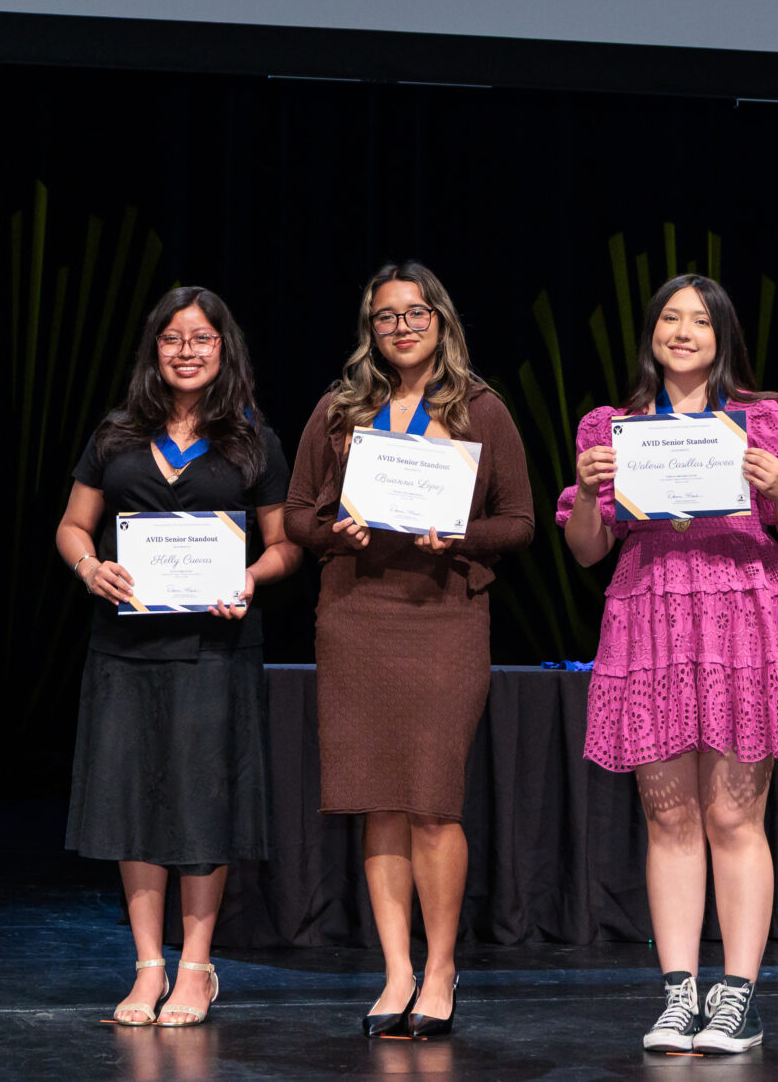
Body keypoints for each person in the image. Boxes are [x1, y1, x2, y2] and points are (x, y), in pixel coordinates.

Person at [560, 274, 778, 1056]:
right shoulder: (611, 426)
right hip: (649, 618)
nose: (682, 331)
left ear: (722, 337)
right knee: (670, 818)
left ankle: (738, 999)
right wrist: (586, 496)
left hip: (746, 616)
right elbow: (587, 549)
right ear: (650, 332)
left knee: (731, 816)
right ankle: (680, 996)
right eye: (669, 319)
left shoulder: (766, 418)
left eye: (698, 321)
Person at [286, 262, 535, 1040]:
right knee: (379, 801)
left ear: (442, 322)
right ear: (371, 328)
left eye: (415, 314)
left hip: (442, 620)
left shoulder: (483, 409)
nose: (401, 327)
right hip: (356, 613)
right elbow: (296, 514)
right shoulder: (337, 409)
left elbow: (520, 521)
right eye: (386, 316)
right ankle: (395, 971)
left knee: (432, 801)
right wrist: (334, 532)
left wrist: (457, 532)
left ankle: (440, 969)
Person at [55, 287, 299, 1028]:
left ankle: (196, 967)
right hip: (125, 648)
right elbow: (71, 525)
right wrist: (90, 568)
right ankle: (147, 966)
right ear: (153, 350)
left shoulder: (254, 440)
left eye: (201, 338)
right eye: (172, 338)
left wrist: (251, 578)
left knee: (204, 802)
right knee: (132, 799)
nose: (186, 351)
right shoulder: (117, 436)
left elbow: (287, 544)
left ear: (224, 349)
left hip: (214, 649)